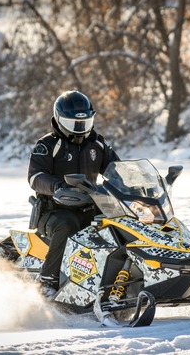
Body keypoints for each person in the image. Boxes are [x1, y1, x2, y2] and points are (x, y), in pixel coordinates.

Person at [28, 90, 119, 298]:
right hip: (54, 211)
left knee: (118, 223)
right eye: (76, 123)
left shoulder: (98, 144)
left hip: (90, 205)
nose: (81, 128)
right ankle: (48, 283)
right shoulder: (47, 145)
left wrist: (133, 186)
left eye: (85, 122)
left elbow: (117, 170)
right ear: (60, 120)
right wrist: (58, 187)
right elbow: (35, 177)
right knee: (67, 225)